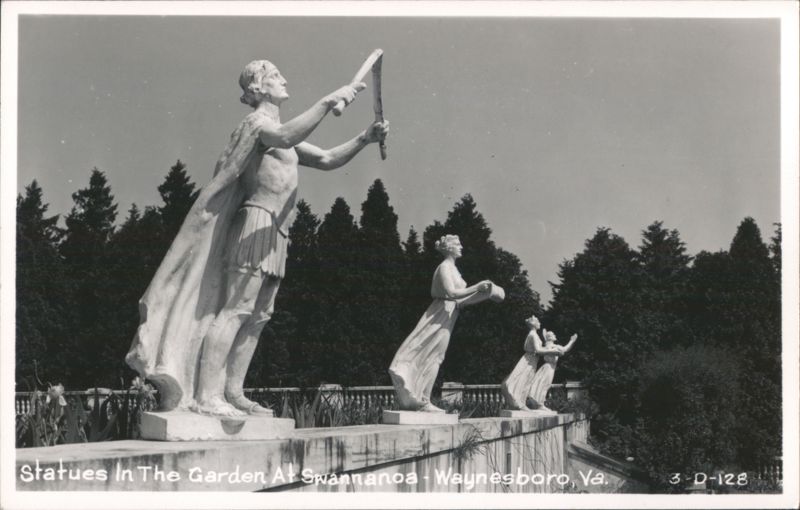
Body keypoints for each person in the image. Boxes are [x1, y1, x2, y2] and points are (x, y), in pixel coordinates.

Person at [126, 59, 389, 417]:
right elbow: (285, 136)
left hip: (277, 231)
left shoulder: (285, 135)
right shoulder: (257, 126)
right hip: (255, 222)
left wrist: (364, 138)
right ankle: (207, 396)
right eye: (276, 76)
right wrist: (328, 102)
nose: (285, 80)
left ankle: (233, 392)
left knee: (259, 315)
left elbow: (326, 158)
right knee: (237, 309)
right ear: (258, 87)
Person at [388, 234, 504, 412]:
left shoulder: (454, 269)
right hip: (439, 314)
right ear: (448, 248)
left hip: (449, 313)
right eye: (457, 244)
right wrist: (478, 287)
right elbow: (451, 293)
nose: (461, 247)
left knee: (435, 356)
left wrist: (486, 295)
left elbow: (460, 299)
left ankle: (422, 399)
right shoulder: (444, 267)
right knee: (431, 354)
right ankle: (423, 400)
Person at [500, 315, 562, 411]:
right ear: (534, 324)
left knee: (526, 381)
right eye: (538, 322)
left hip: (532, 360)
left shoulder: (534, 334)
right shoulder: (532, 335)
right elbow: (538, 350)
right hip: (529, 360)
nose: (540, 323)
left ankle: (521, 403)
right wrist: (552, 352)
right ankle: (519, 404)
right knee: (522, 379)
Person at [527, 329, 578, 412]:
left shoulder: (549, 346)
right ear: (550, 338)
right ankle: (540, 404)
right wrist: (572, 341)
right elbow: (564, 349)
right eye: (553, 335)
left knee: (543, 384)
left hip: (548, 367)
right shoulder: (552, 346)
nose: (555, 336)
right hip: (548, 368)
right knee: (544, 385)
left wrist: (572, 341)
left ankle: (539, 403)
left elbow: (563, 349)